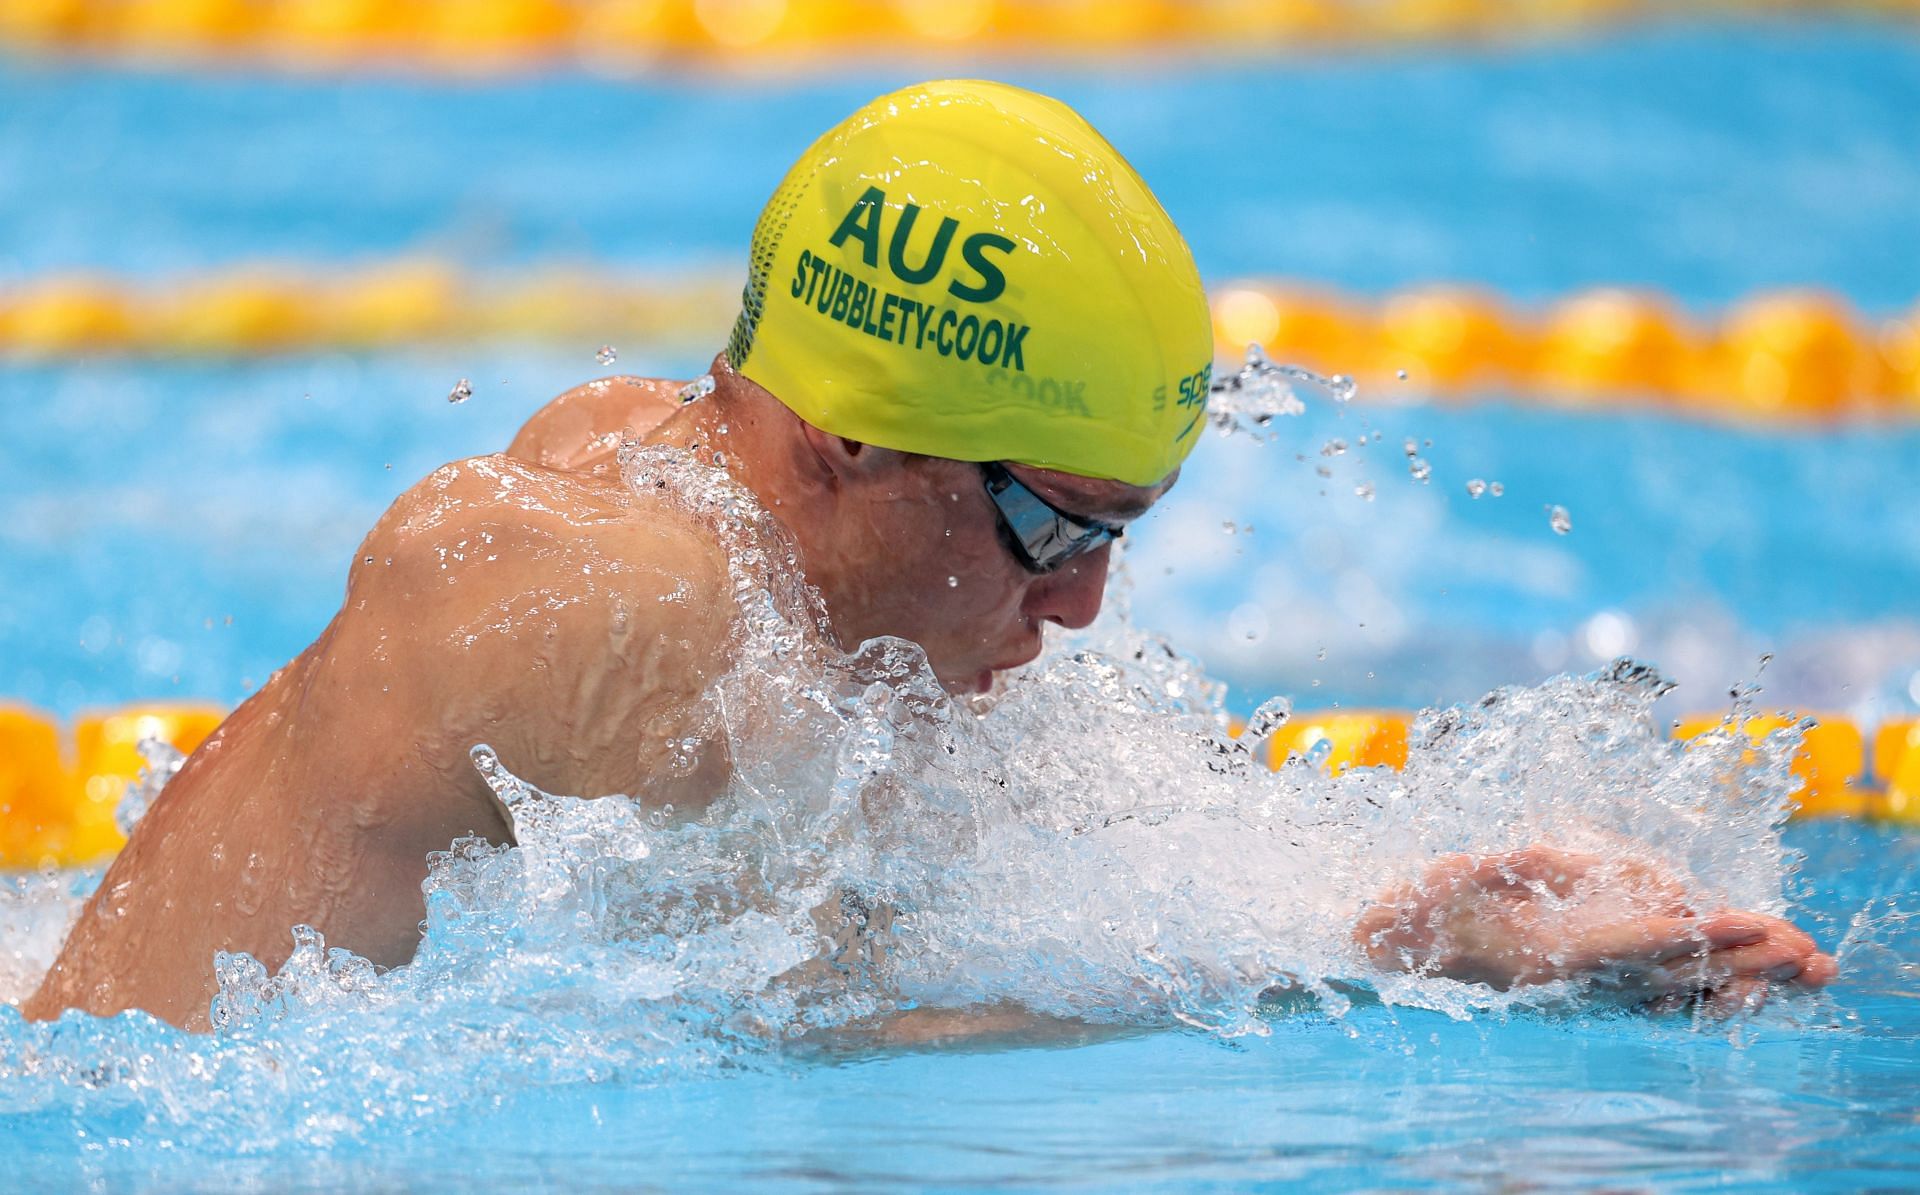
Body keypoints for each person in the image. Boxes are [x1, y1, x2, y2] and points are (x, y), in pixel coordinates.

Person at [24, 80, 1834, 1032]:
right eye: (1051, 527)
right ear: (855, 439)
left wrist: (1403, 909)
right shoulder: (631, 611)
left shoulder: (700, 502)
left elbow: (998, 897)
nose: (1086, 604)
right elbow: (863, 1024)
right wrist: (1395, 963)